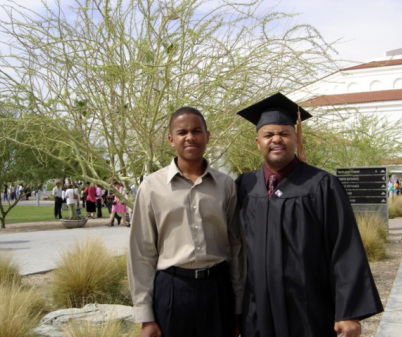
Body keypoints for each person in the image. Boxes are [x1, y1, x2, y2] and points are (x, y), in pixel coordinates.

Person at [235, 92, 383, 337]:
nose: (277, 140)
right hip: (257, 309)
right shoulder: (244, 186)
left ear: (296, 138)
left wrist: (348, 312)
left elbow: (344, 248)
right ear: (257, 142)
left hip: (308, 309)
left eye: (284, 133)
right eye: (269, 134)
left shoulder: (321, 185)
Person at [127, 107, 244, 337]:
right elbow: (141, 252)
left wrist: (238, 305)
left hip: (217, 291)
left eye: (197, 131)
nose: (190, 137)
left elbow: (236, 247)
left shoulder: (226, 185)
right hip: (172, 291)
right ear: (171, 140)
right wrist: (145, 316)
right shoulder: (152, 187)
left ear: (207, 136)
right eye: (182, 132)